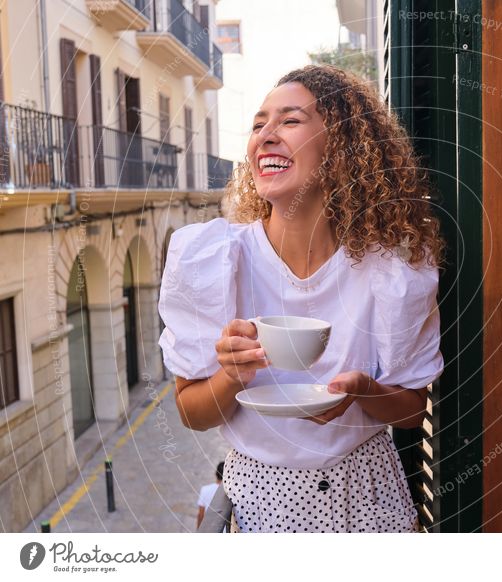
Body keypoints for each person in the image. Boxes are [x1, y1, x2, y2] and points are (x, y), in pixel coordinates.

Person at [159, 65, 444, 533]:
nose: (266, 136)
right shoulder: (211, 261)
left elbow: (413, 411)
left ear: (343, 148)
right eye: (258, 125)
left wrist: (364, 393)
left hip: (369, 494)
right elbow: (192, 412)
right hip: (261, 503)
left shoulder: (392, 268)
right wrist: (232, 374)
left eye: (289, 121)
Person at [196, 461, 224, 530]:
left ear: (216, 473)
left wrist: (198, 530)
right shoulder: (231, 493)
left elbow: (201, 514)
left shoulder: (205, 489)